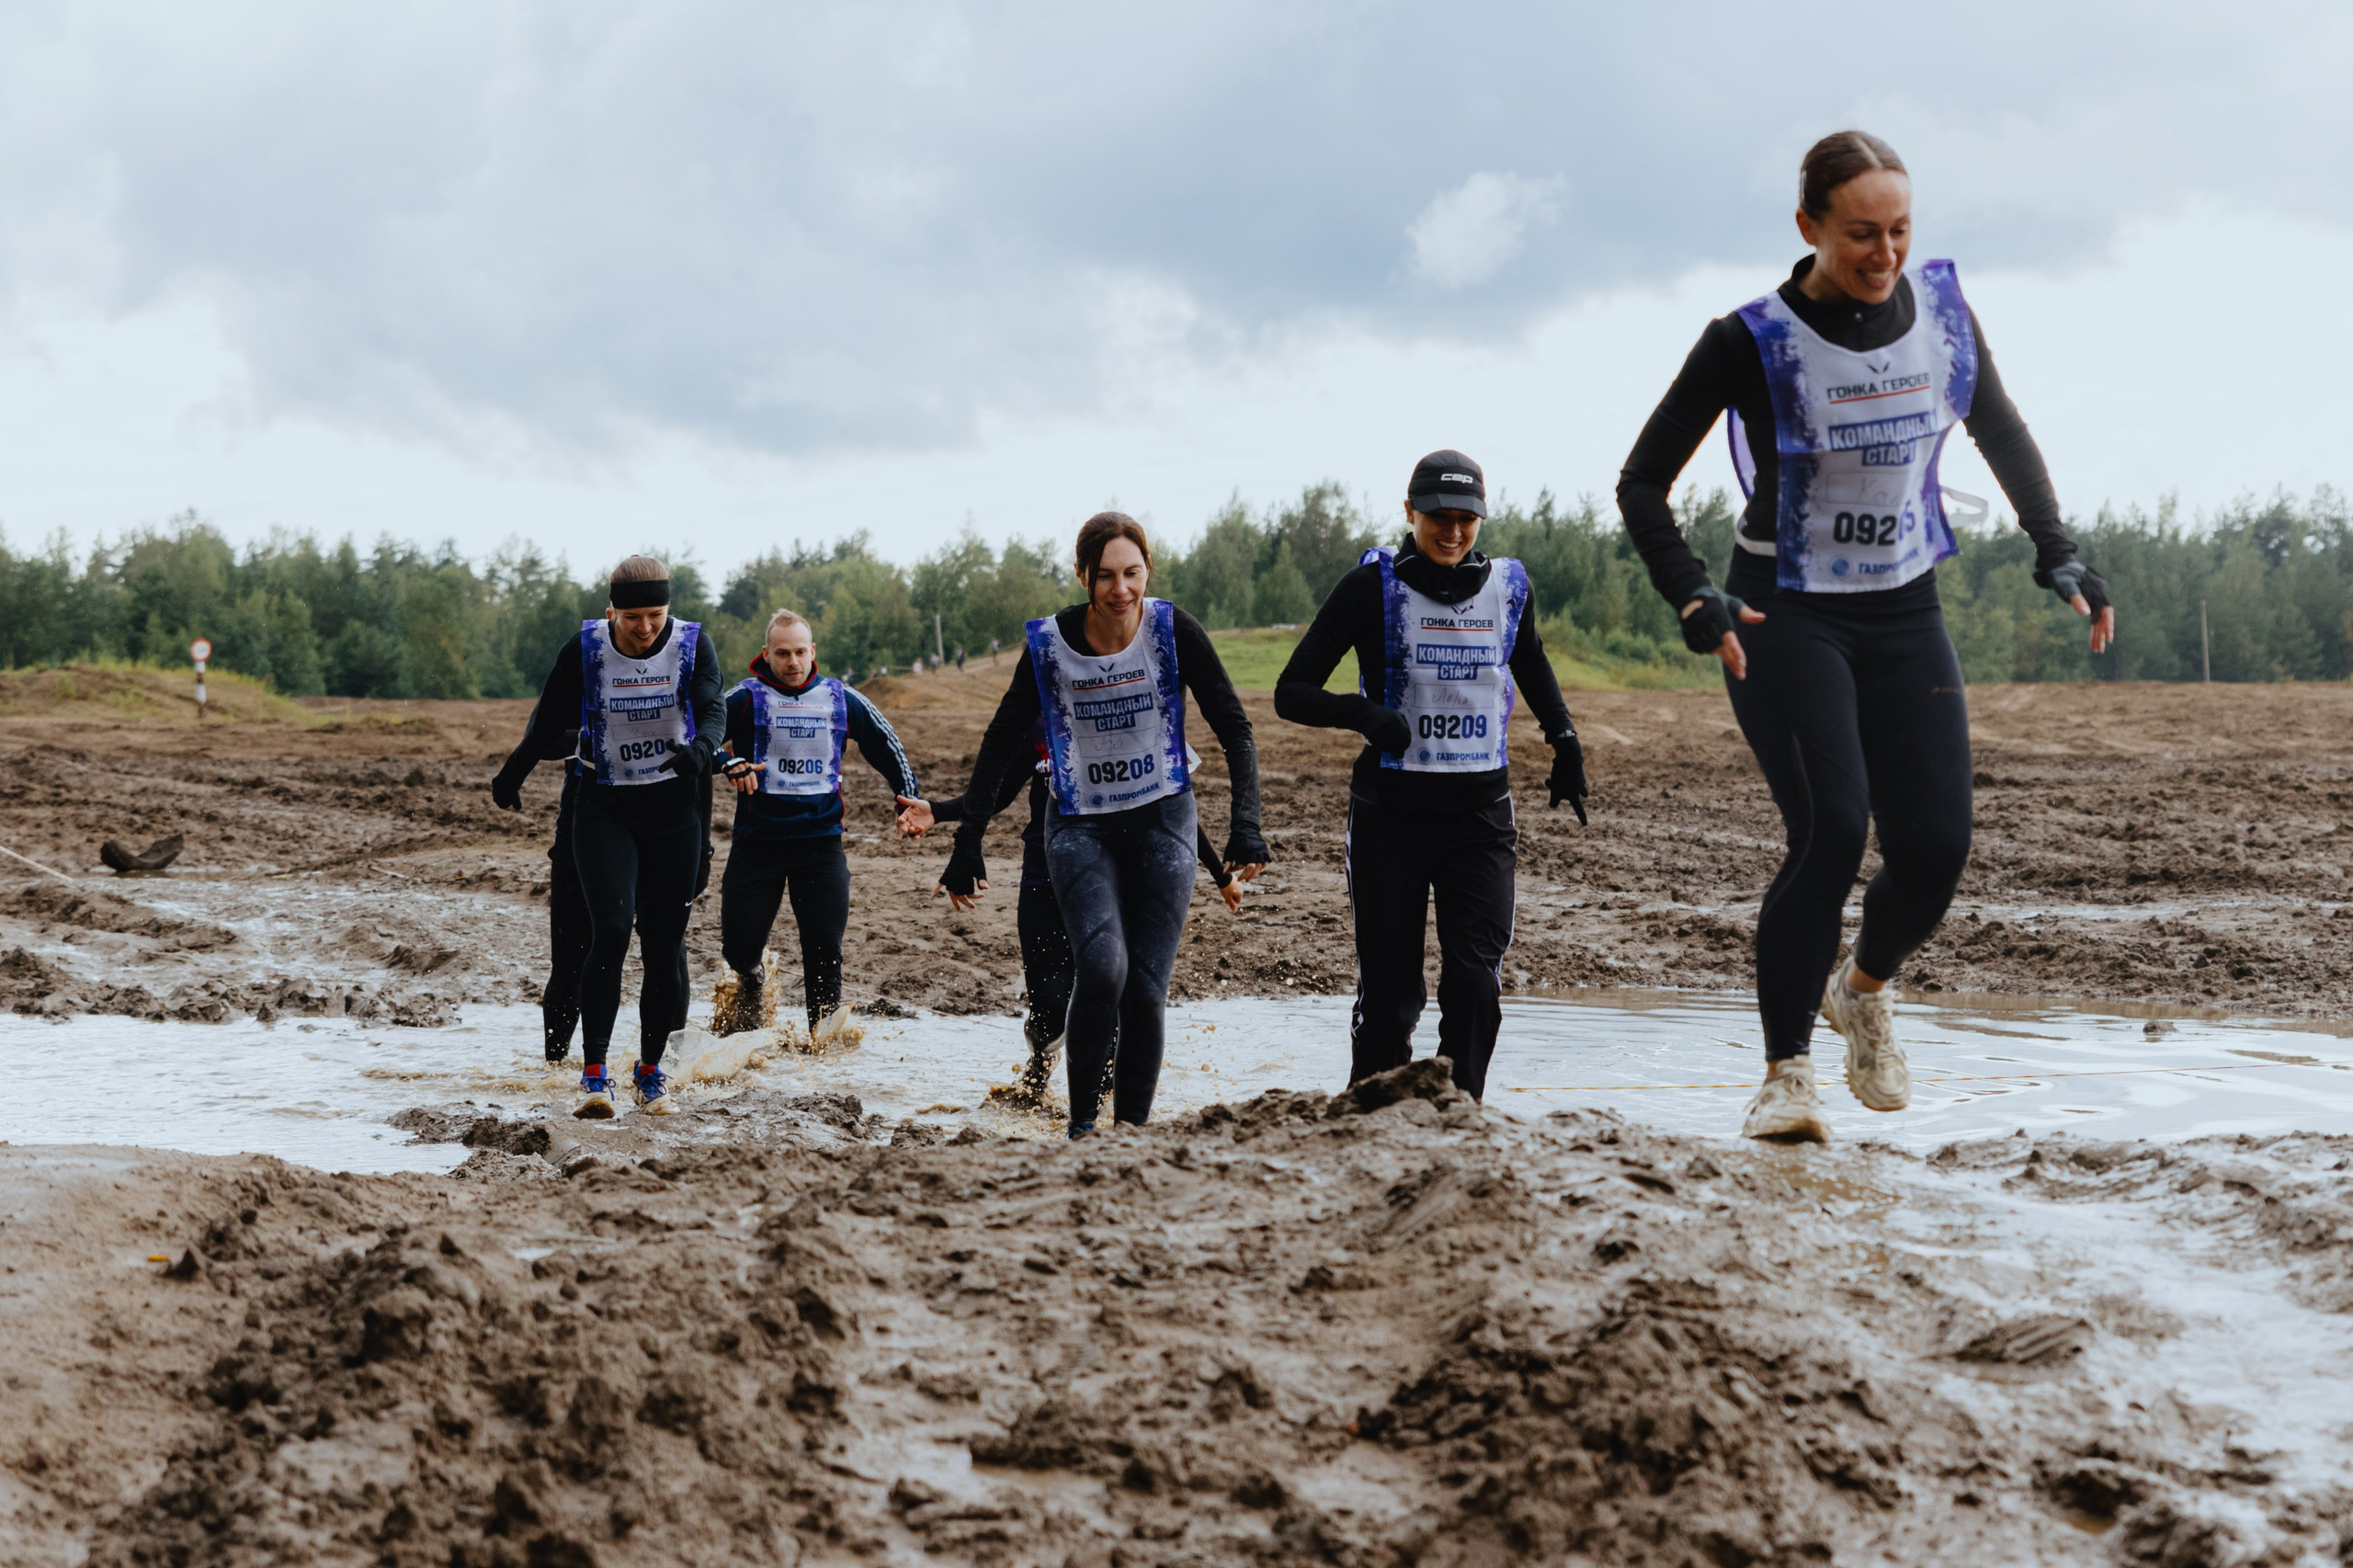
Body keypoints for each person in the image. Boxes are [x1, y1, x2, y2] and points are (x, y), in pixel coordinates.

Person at [1617, 130, 2115, 1144]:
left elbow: (2000, 427)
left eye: (1897, 230)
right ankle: (1785, 1073)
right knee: (1833, 828)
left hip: (1902, 606)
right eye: (1858, 235)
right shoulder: (1746, 338)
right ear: (1807, 227)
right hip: (1782, 610)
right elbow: (1640, 482)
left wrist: (2054, 547)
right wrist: (1689, 593)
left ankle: (1862, 988)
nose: (1882, 252)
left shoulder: (1938, 311)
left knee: (1936, 845)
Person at [938, 512, 1268, 1136]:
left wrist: (1244, 826)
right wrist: (967, 844)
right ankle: (1083, 1131)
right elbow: (1000, 741)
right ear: (1083, 576)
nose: (1122, 591)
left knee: (1144, 987)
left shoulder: (1174, 630)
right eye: (1108, 576)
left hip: (1163, 818)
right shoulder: (1048, 646)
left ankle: (1131, 1134)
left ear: (1148, 571)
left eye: (1133, 574)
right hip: (1079, 825)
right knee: (1105, 969)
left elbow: (1236, 729)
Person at [1275, 449, 1586, 1103]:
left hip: (1480, 819)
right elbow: (1292, 690)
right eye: (1438, 517)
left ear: (1481, 518)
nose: (1452, 531)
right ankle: (1371, 1115)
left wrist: (1564, 740)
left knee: (1475, 986)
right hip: (1390, 817)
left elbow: (1529, 662)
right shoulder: (1370, 588)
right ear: (1409, 511)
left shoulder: (1508, 588)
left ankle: (1459, 1113)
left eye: (1466, 519)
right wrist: (1363, 715)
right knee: (1392, 1002)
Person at [897, 728, 1240, 1096]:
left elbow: (1173, 807)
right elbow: (997, 792)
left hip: (1113, 881)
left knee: (1109, 995)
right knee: (1049, 1018)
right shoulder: (1039, 721)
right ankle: (1042, 1061)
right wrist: (940, 811)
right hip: (1044, 880)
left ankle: (1102, 1107)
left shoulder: (1136, 716)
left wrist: (1220, 874)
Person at [504, 556, 725, 1118]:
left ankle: (652, 1075)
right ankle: (594, 1075)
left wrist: (702, 750)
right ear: (611, 613)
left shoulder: (695, 646)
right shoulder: (584, 649)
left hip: (674, 813)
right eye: (633, 617)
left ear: (668, 611)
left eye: (655, 615)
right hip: (603, 808)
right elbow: (546, 716)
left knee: (663, 942)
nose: (645, 627)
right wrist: (515, 769)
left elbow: (713, 709)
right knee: (608, 930)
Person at [712, 608, 918, 1036]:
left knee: (825, 952)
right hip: (758, 845)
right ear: (766, 654)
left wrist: (908, 798)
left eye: (800, 652)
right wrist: (726, 759)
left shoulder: (841, 697)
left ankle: (823, 1049)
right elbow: (698, 738)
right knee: (738, 948)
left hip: (820, 846)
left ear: (813, 651)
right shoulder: (745, 698)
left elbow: (886, 743)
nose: (792, 662)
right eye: (783, 653)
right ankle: (751, 978)